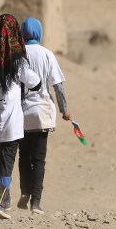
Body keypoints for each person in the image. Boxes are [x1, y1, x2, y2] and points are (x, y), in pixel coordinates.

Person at [0, 14, 41, 219]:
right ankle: (0, 202)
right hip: (10, 124)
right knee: (6, 164)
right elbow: (35, 83)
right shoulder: (18, 62)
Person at [17, 17, 72, 215]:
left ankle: (24, 191)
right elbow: (58, 86)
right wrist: (64, 110)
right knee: (39, 159)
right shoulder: (47, 54)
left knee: (24, 156)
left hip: (21, 113)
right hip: (42, 113)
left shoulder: (18, 55)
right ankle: (36, 203)